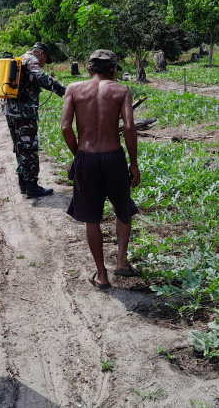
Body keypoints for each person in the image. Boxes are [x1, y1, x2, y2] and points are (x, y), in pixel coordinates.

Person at [61, 50, 141, 290]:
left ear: (89, 69)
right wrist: (133, 163)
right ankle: (121, 262)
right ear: (114, 69)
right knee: (122, 210)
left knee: (92, 219)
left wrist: (79, 156)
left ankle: (101, 275)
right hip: (113, 157)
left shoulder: (74, 88)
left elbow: (66, 127)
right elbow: (128, 127)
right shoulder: (121, 90)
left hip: (86, 156)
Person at [5, 41, 66, 198]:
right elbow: (39, 77)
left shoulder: (20, 59)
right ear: (41, 54)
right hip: (24, 113)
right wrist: (63, 89)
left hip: (11, 112)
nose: (44, 64)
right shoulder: (32, 60)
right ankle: (32, 186)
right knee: (29, 149)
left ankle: (23, 184)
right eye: (45, 60)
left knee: (20, 147)